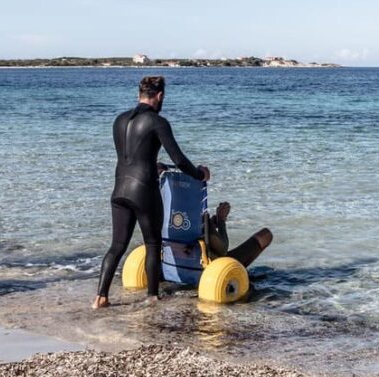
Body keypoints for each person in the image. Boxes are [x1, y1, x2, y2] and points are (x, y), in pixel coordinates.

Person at [93, 76, 210, 309]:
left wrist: (156, 165)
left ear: (139, 93)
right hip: (143, 190)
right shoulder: (157, 122)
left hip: (119, 189)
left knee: (117, 246)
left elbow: (132, 156)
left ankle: (100, 297)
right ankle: (152, 297)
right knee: (153, 243)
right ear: (160, 96)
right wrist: (199, 174)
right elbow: (179, 159)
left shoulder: (119, 120)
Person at [205, 201, 272, 268]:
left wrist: (211, 225)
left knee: (266, 235)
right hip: (216, 266)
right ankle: (236, 271)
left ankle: (239, 270)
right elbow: (223, 249)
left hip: (209, 259)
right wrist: (221, 220)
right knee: (265, 235)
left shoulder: (196, 213)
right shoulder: (201, 216)